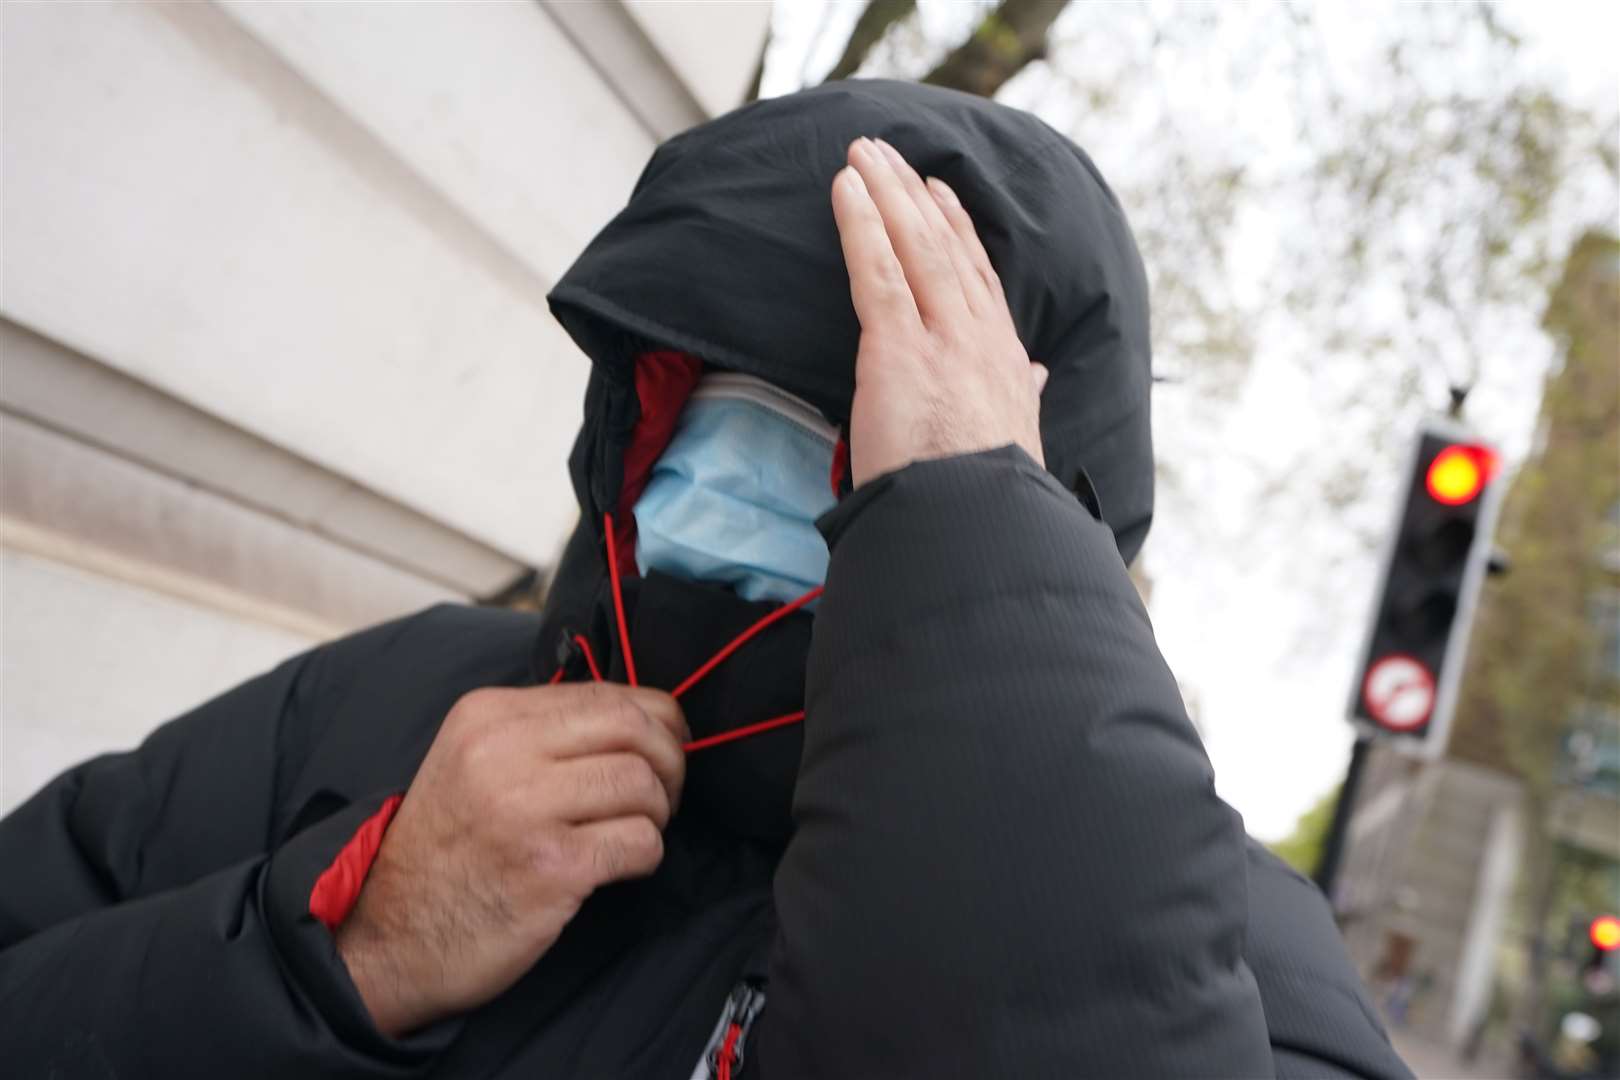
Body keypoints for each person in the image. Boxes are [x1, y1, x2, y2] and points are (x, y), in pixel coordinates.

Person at [0, 80, 1412, 1079]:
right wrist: (345, 953)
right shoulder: (410, 692)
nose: (708, 485)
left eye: (826, 434)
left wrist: (970, 556)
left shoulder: (1230, 942)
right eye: (694, 406)